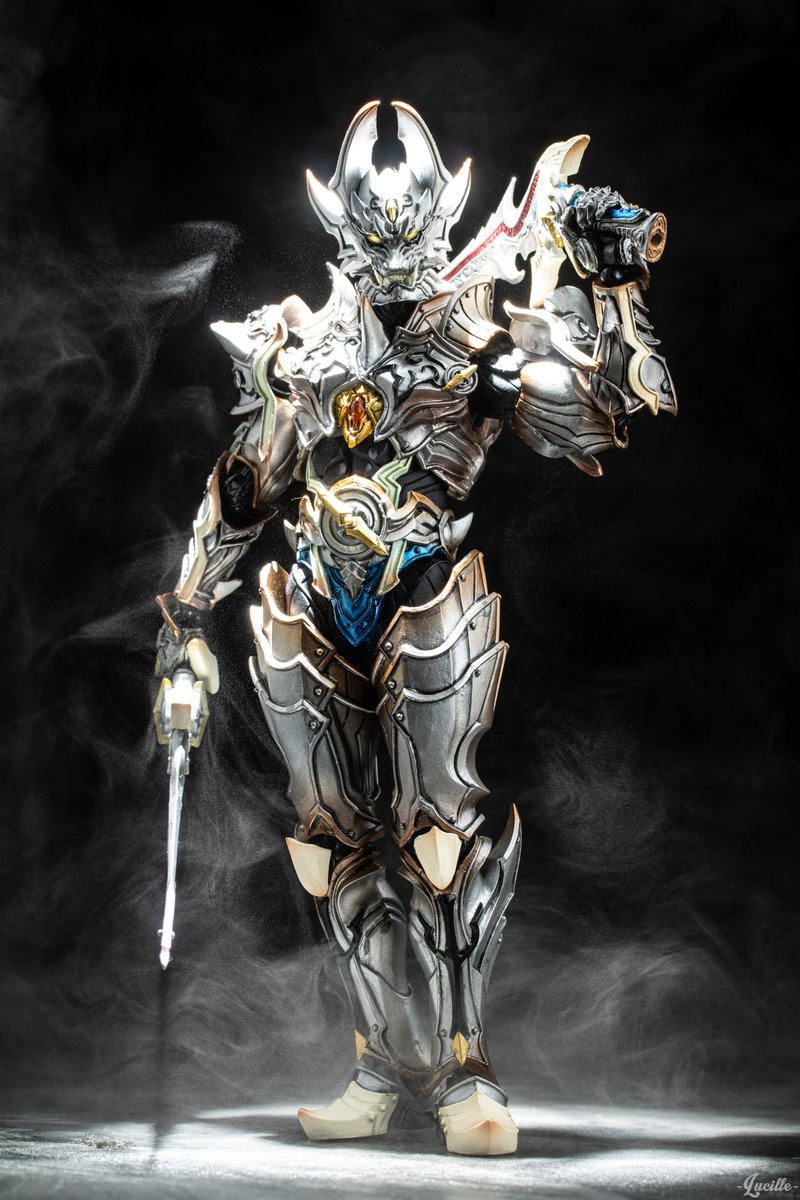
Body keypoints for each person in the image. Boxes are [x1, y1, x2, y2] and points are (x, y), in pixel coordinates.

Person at [153, 100, 676, 1156]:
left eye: (409, 229)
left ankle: (464, 1074)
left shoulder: (478, 341)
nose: (393, 250)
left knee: (439, 840)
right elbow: (247, 485)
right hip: (313, 610)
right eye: (373, 229)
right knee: (332, 843)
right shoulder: (302, 345)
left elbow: (610, 409)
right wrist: (185, 621)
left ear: (439, 221)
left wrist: (606, 288)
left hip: (425, 594)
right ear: (341, 225)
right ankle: (379, 1067)